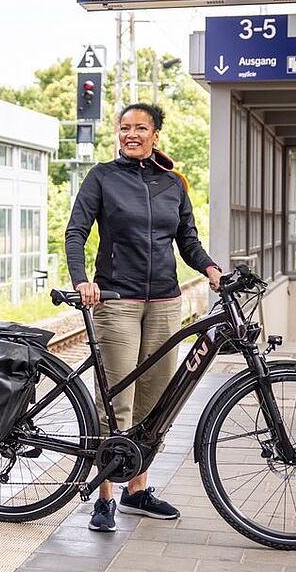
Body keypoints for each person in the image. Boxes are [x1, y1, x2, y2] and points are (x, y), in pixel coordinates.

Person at [64, 102, 223, 533]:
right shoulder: (102, 177)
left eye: (140, 128)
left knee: (155, 404)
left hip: (165, 303)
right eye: (124, 127)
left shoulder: (174, 184)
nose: (130, 134)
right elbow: (76, 232)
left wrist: (209, 268)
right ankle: (104, 496)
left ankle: (137, 490)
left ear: (156, 135)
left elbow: (188, 241)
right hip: (117, 300)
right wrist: (82, 280)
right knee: (118, 402)